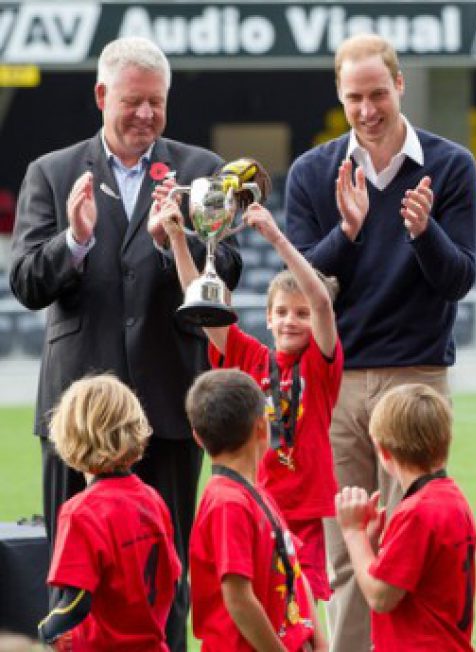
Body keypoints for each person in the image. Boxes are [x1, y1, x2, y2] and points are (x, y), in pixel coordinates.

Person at [8, 36, 241, 651]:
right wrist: (74, 242)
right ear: (101, 96)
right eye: (133, 101)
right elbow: (28, 283)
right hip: (76, 420)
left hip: (166, 409)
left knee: (167, 578)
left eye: (156, 104)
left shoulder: (200, 171)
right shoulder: (52, 173)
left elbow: (231, 271)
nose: (145, 115)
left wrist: (178, 245)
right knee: (71, 579)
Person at [284, 32, 476, 651]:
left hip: (416, 378)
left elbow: (459, 279)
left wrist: (423, 233)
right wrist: (347, 231)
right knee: (346, 554)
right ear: (339, 98)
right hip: (334, 381)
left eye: (377, 94)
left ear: (400, 85)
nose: (367, 110)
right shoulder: (314, 172)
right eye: (353, 99)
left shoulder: (449, 167)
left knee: (408, 550)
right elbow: (301, 283)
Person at [159, 195, 342, 603]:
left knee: (304, 607)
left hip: (303, 511)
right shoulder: (249, 356)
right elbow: (202, 304)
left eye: (301, 313)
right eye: (282, 312)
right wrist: (176, 238)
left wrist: (276, 239)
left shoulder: (319, 363)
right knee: (257, 601)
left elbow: (322, 302)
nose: (291, 321)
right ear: (268, 315)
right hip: (251, 502)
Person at [186, 369, 328, 652]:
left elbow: (294, 571)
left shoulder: (256, 493)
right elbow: (238, 598)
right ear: (262, 427)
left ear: (197, 438)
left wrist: (317, 640)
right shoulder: (227, 504)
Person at [38, 374, 181, 651]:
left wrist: (44, 631)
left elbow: (76, 604)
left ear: (69, 436)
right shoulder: (152, 499)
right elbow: (171, 581)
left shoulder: (80, 513)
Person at [335, 384, 476, 651]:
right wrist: (374, 544)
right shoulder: (453, 498)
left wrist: (353, 534)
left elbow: (380, 596)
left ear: (383, 452)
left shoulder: (416, 513)